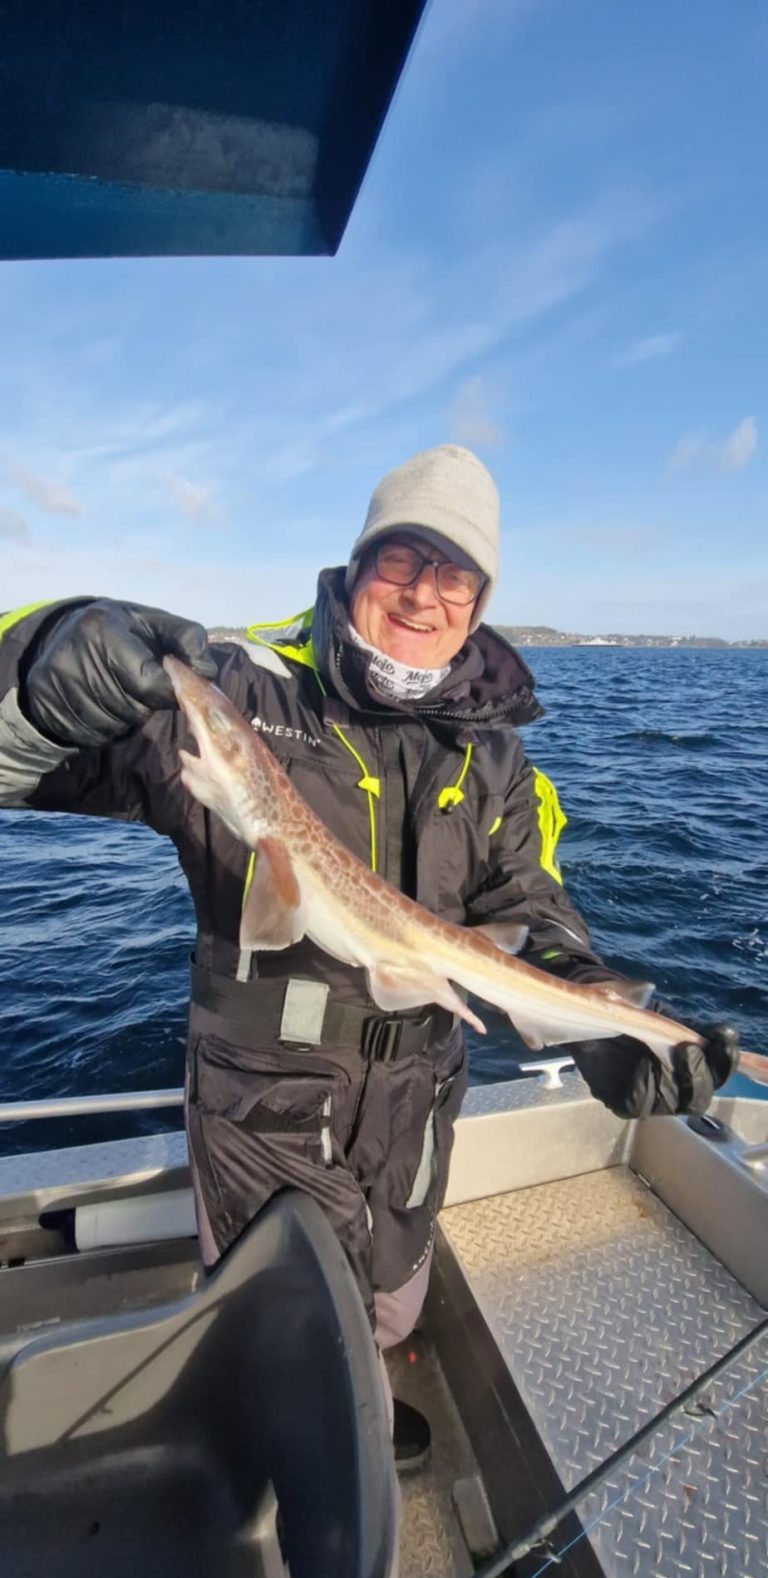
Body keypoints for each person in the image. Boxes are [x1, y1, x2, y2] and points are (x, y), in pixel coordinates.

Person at [0, 444, 737, 1469]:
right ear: (356, 566)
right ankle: (282, 1459)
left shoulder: (497, 756)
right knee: (281, 1330)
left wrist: (592, 1009)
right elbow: (29, 761)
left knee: (390, 1298)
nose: (424, 594)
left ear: (478, 603)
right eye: (402, 558)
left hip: (415, 1104)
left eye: (455, 575)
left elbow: (528, 906)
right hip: (266, 1105)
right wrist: (38, 668)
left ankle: (365, 1401)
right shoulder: (243, 686)